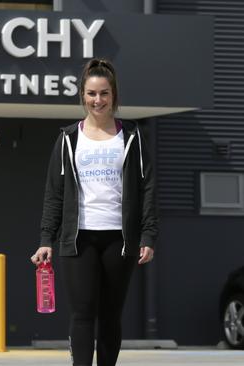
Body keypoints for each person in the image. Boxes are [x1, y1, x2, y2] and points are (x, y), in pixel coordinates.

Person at [30, 58, 157, 366]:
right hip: (78, 240)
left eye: (104, 93)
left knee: (111, 314)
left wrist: (148, 235)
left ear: (113, 95)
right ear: (82, 96)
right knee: (83, 314)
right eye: (91, 93)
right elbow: (54, 193)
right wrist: (47, 238)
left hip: (120, 239)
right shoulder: (68, 138)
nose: (97, 100)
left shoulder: (131, 136)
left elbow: (147, 187)